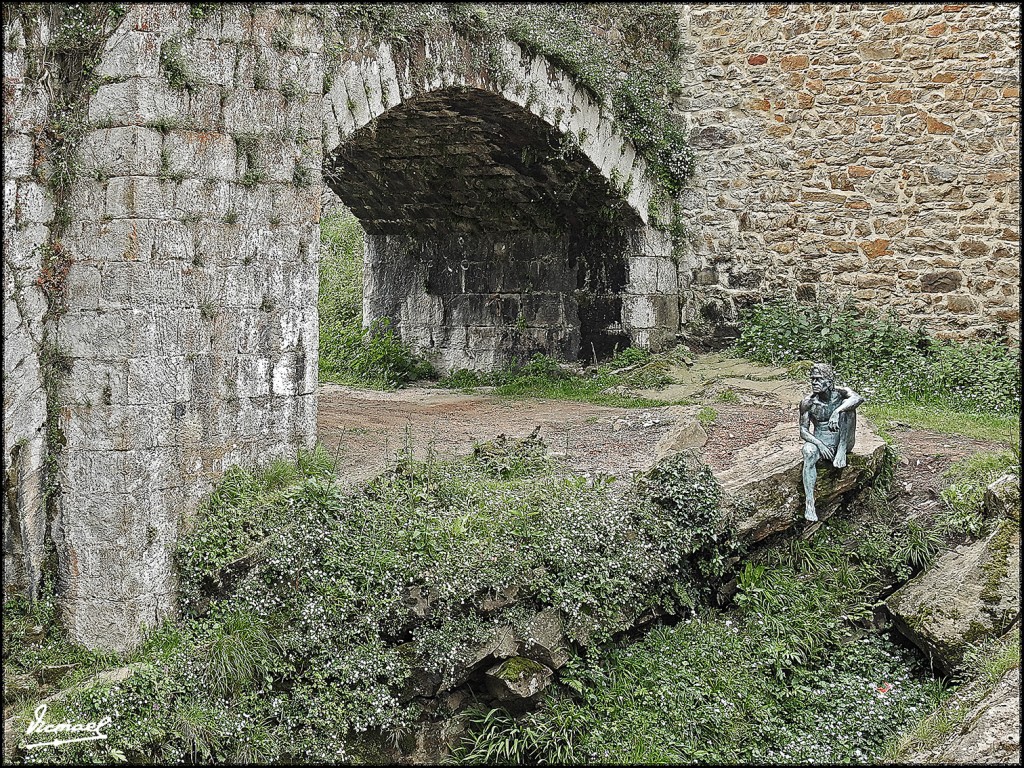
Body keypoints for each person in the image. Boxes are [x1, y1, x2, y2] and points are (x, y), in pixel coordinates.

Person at [799, 362, 863, 522]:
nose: (814, 383)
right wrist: (819, 445)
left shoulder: (842, 393)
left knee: (847, 409)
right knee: (808, 451)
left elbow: (858, 398)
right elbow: (803, 430)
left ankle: (841, 452)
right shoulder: (808, 402)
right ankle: (809, 503)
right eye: (812, 379)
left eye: (818, 379)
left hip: (843, 440)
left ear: (829, 381)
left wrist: (836, 411)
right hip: (822, 442)